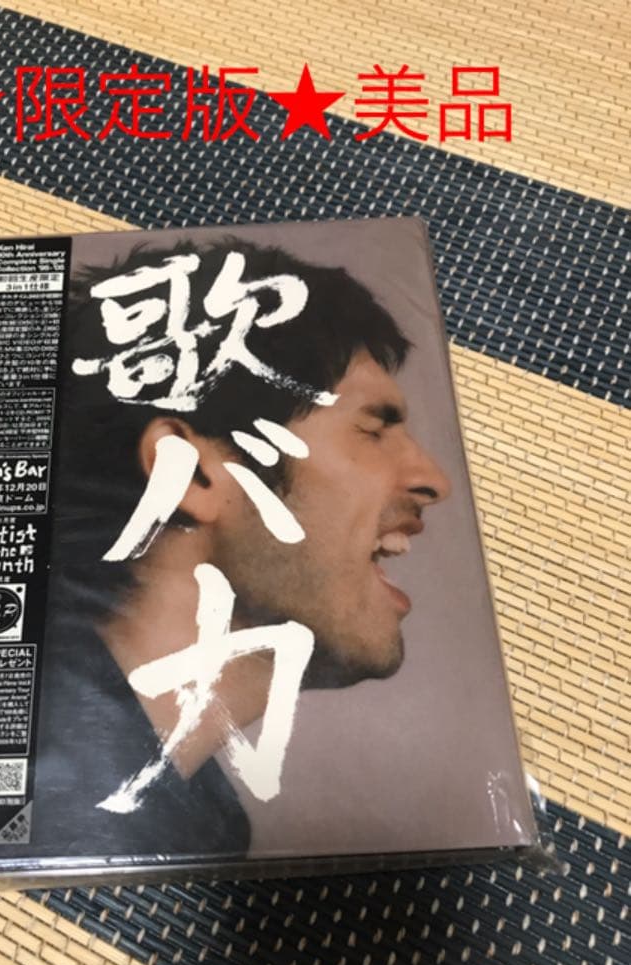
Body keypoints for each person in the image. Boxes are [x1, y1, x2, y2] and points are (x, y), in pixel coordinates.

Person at [32, 238, 450, 861]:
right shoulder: (33, 788)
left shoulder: (197, 826)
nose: (433, 480)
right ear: (190, 473)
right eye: (372, 428)